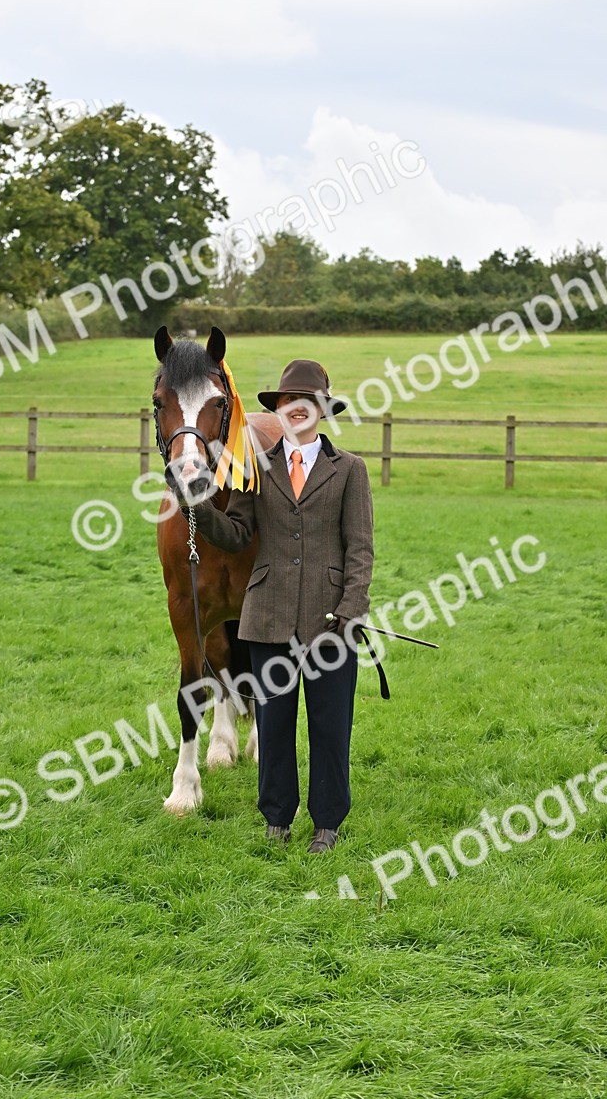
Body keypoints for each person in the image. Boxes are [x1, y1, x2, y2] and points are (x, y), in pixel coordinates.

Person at [191, 359, 374, 852]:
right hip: (267, 617)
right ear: (279, 407)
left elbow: (360, 549)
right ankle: (277, 818)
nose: (297, 409)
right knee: (273, 728)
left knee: (330, 728)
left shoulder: (350, 470)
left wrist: (352, 609)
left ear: (322, 410)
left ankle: (327, 824)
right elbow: (237, 534)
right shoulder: (255, 468)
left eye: (307, 402)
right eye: (289, 400)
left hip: (330, 623)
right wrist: (199, 507)